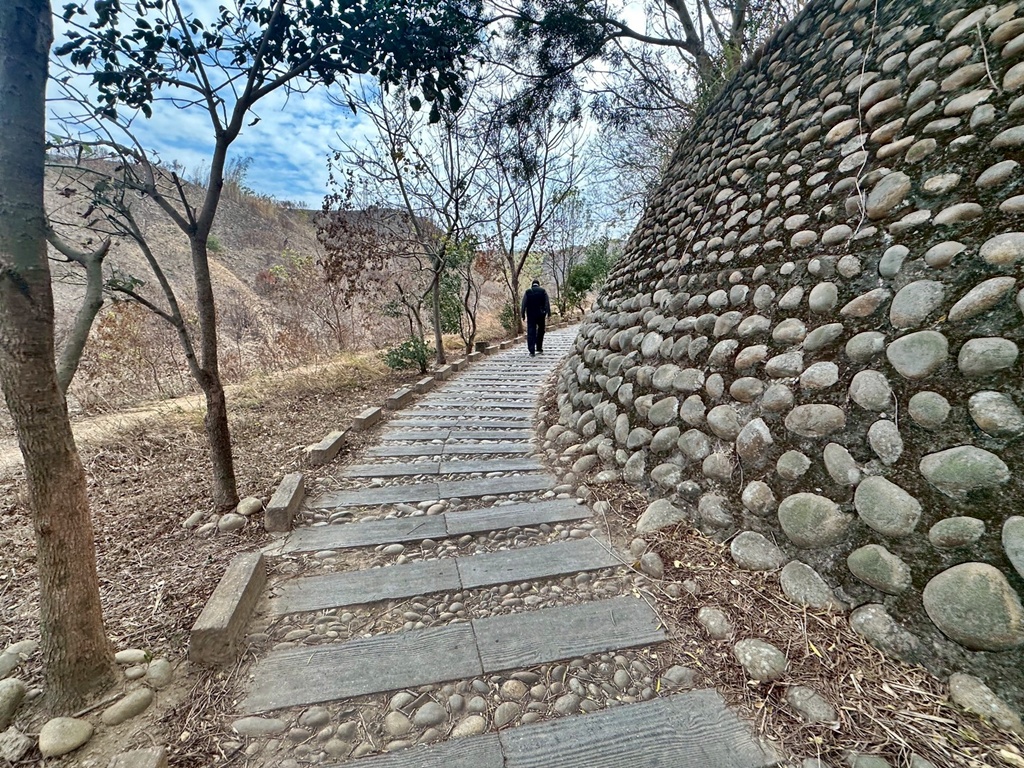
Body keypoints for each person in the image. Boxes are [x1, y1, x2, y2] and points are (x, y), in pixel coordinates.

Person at [521, 279, 551, 356]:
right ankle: (539, 347)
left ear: (532, 285)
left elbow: (524, 304)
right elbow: (547, 303)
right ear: (538, 284)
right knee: (541, 331)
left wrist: (523, 314)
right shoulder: (543, 291)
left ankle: (531, 351)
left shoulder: (528, 292)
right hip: (541, 315)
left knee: (531, 332)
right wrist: (549, 314)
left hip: (531, 315)